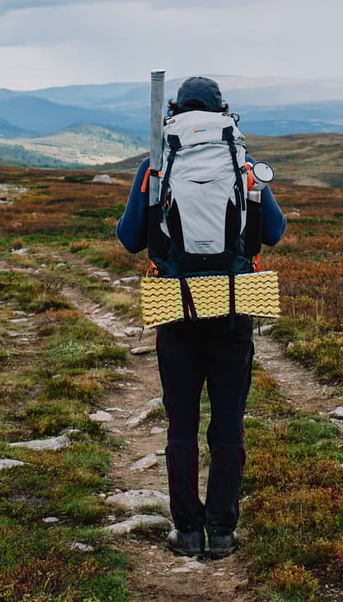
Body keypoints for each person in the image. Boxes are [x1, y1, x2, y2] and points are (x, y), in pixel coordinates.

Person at [116, 76, 287, 558]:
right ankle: (223, 531)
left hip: (176, 309)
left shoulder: (156, 164)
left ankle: (188, 531)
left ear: (175, 111)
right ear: (222, 112)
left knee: (182, 425)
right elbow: (274, 232)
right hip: (232, 309)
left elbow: (129, 239)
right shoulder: (241, 162)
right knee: (228, 423)